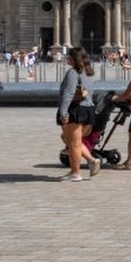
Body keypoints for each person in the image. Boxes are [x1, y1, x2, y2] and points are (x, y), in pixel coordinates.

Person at [55, 47, 99, 181]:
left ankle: (75, 172)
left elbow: (68, 94)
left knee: (73, 144)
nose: (67, 58)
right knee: (74, 141)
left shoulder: (72, 73)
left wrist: (63, 112)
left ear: (75, 59)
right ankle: (91, 161)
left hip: (75, 110)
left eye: (69, 56)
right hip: (88, 109)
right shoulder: (89, 72)